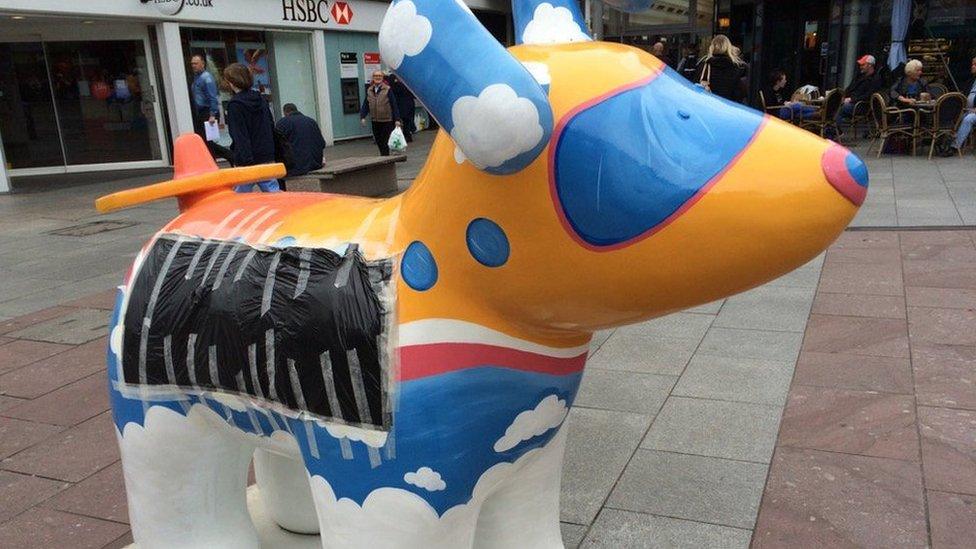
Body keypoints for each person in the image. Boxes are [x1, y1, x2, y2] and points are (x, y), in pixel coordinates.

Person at [223, 63, 279, 192]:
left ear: (232, 82)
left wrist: (244, 159)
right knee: (274, 194)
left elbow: (239, 135)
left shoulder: (235, 105)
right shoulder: (261, 99)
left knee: (240, 198)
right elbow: (270, 126)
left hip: (247, 159)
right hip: (266, 155)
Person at [189, 54, 234, 164]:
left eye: (196, 63)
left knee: (207, 141)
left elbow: (212, 97)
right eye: (192, 64)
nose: (193, 66)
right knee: (204, 140)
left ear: (202, 64)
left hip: (207, 112)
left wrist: (212, 114)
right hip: (201, 113)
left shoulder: (206, 78)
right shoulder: (197, 78)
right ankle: (214, 160)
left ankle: (230, 156)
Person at [275, 103, 326, 177]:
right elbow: (322, 143)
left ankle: (281, 188)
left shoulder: (282, 123)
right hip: (316, 163)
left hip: (296, 167)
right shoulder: (311, 121)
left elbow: (277, 146)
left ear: (285, 112)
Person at [940, 56, 976, 157]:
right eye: (972, 64)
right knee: (955, 115)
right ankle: (943, 142)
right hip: (968, 110)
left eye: (975, 65)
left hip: (973, 113)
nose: (972, 67)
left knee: (968, 119)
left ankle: (954, 147)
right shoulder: (972, 80)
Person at [360, 71, 402, 156]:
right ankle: (383, 155)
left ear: (382, 78)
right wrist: (363, 116)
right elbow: (366, 104)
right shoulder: (369, 90)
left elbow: (394, 104)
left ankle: (385, 157)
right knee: (378, 140)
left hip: (386, 120)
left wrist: (397, 119)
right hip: (375, 120)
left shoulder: (387, 89)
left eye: (379, 76)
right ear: (373, 78)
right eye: (375, 76)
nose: (377, 77)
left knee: (385, 140)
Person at [836, 54, 885, 128]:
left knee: (839, 108)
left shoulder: (876, 79)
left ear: (870, 65)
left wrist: (851, 99)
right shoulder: (859, 75)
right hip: (851, 101)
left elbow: (868, 96)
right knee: (831, 104)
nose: (860, 67)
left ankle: (834, 131)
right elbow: (849, 88)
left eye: (863, 65)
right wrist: (842, 96)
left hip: (861, 105)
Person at [695, 35, 747, 102]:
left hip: (709, 105)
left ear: (712, 47)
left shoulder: (704, 65)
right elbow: (740, 93)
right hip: (730, 107)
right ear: (729, 47)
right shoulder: (739, 67)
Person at [388, 74, 417, 143]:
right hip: (409, 105)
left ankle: (401, 137)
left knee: (398, 122)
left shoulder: (392, 87)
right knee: (407, 121)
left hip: (400, 106)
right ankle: (409, 135)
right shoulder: (406, 85)